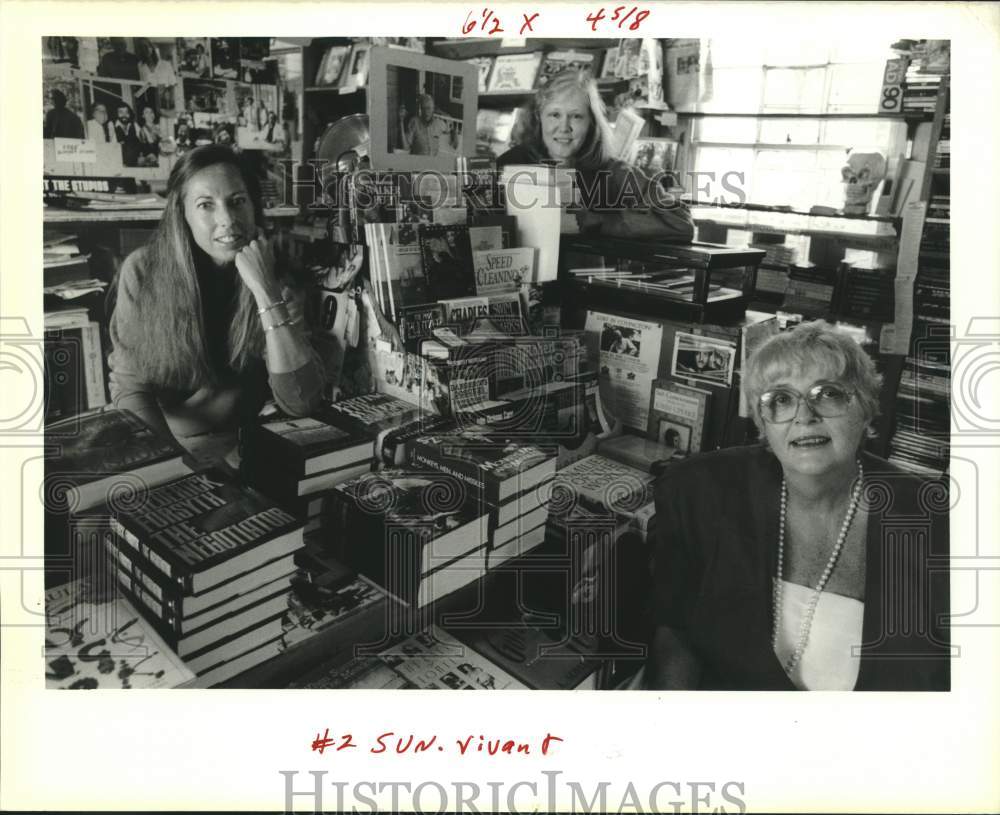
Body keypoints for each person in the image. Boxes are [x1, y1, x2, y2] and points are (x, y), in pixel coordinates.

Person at [645, 320, 950, 691]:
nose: (804, 416)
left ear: (867, 409)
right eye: (781, 400)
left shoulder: (940, 524)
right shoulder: (701, 494)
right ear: (763, 423)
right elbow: (675, 628)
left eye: (829, 394)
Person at [107, 145, 324, 453]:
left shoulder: (279, 275)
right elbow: (130, 389)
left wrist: (265, 290)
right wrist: (176, 465)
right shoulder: (143, 271)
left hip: (246, 441)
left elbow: (300, 401)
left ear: (254, 206)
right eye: (206, 205)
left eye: (237, 202)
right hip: (164, 440)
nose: (228, 220)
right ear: (182, 214)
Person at [498, 69, 693, 241]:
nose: (564, 128)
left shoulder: (613, 171)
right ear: (539, 117)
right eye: (555, 115)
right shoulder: (509, 165)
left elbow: (680, 222)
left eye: (576, 116)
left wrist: (595, 220)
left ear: (592, 122)